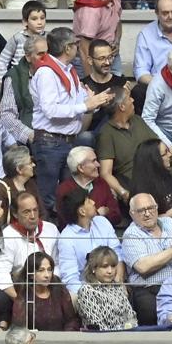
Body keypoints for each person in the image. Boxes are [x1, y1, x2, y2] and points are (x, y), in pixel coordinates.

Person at [30, 28, 114, 213]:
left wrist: (95, 101)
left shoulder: (68, 70)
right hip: (50, 142)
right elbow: (50, 110)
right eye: (76, 45)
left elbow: (77, 102)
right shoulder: (46, 73)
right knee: (49, 198)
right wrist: (85, 105)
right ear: (67, 48)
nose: (78, 48)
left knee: (68, 196)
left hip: (68, 141)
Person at [124, 192, 172, 325]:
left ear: (157, 207)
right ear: (132, 214)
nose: (147, 213)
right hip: (151, 289)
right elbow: (143, 267)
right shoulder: (131, 235)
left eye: (151, 208)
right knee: (150, 311)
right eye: (141, 210)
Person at [98, 91, 162, 208]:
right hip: (131, 183)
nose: (133, 100)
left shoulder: (138, 120)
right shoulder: (106, 133)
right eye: (129, 98)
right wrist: (123, 193)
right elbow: (105, 173)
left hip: (154, 176)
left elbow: (158, 144)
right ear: (122, 107)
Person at [72, 0, 124, 78]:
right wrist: (91, 82)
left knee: (117, 92)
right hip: (92, 60)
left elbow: (117, 20)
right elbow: (84, 50)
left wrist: (117, 41)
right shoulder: (90, 9)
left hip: (111, 53)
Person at [75, 246, 137, 330]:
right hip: (101, 340)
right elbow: (97, 326)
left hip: (125, 337)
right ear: (93, 268)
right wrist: (124, 328)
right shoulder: (87, 291)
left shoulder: (118, 287)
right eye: (105, 266)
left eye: (113, 266)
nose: (110, 271)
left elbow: (131, 318)